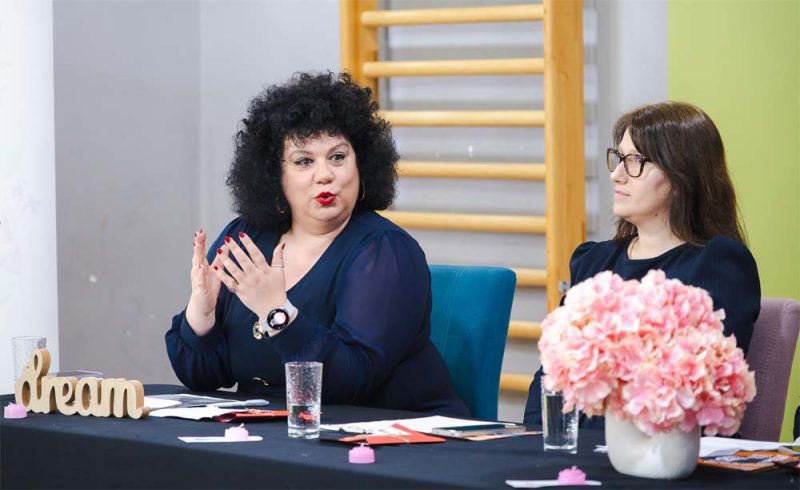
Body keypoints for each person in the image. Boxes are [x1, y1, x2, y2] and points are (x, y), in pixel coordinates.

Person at [165, 72, 469, 416]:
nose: (324, 174)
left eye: (338, 157)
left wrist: (276, 312)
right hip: (282, 434)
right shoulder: (248, 238)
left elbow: (350, 382)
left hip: (398, 437)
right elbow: (203, 376)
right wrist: (202, 313)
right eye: (304, 161)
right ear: (275, 175)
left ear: (361, 164)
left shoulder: (385, 251)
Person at [524, 101, 761, 426]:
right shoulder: (593, 260)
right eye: (618, 158)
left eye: (635, 161)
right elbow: (549, 377)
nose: (616, 175)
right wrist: (537, 441)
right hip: (575, 449)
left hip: (666, 447)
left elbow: (701, 388)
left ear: (682, 174)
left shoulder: (718, 263)